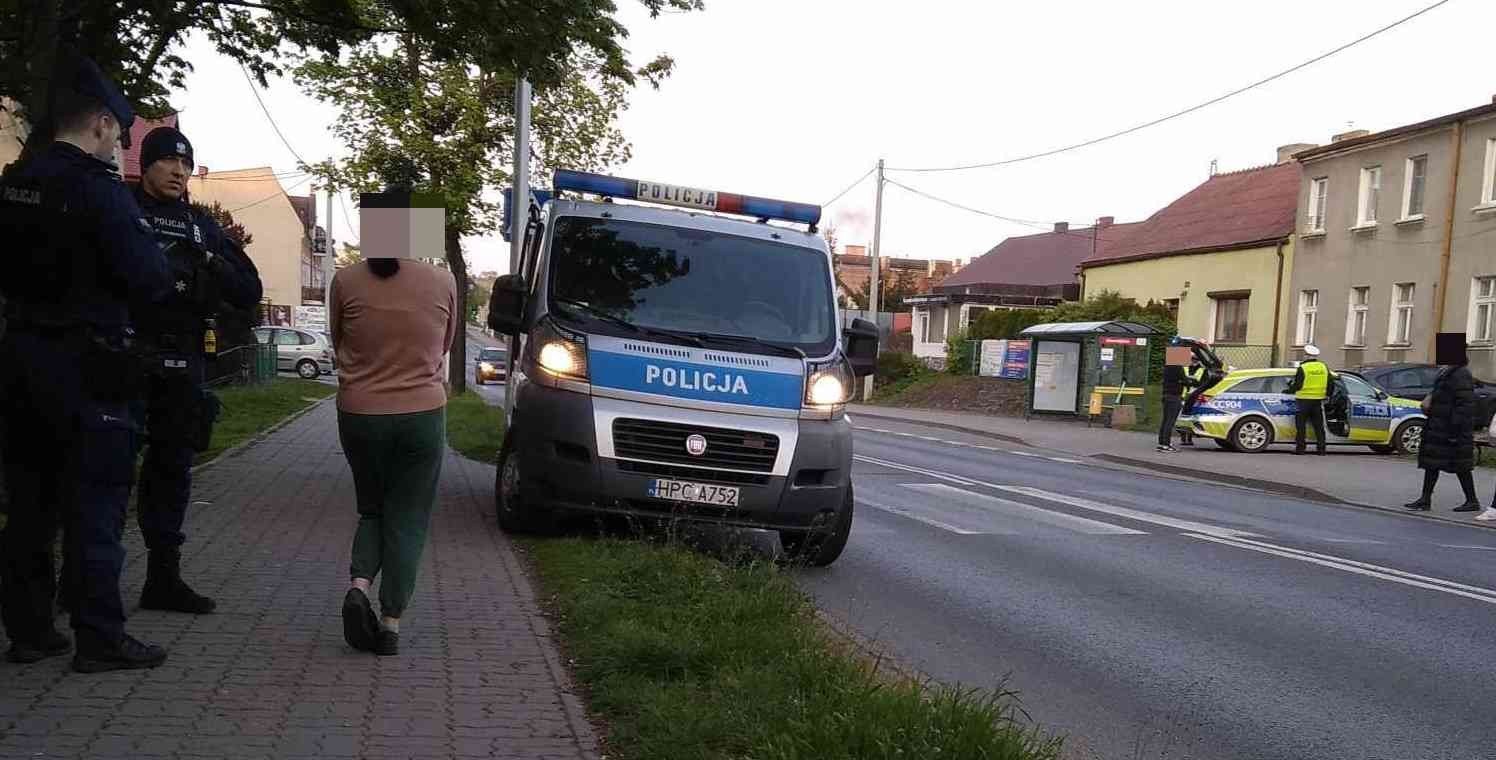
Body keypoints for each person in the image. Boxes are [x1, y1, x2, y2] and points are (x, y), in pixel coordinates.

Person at [0, 53, 173, 671]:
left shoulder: (16, 182)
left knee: (28, 503)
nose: (119, 147)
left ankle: (28, 630)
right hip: (90, 365)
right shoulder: (99, 192)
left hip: (19, 363)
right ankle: (99, 636)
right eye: (119, 135)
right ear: (100, 123)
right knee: (96, 506)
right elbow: (151, 277)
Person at [129, 126, 263, 613]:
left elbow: (249, 289)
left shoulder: (200, 226)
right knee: (103, 468)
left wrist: (210, 261)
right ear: (145, 163)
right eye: (167, 161)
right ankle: (79, 581)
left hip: (182, 359)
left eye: (185, 164)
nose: (178, 171)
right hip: (123, 356)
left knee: (172, 471)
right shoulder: (122, 210)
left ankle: (162, 579)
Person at [331, 253, 457, 656]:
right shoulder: (444, 282)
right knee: (407, 519)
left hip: (359, 413)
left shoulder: (344, 281)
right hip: (421, 415)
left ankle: (358, 587)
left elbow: (338, 339)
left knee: (373, 509)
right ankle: (390, 624)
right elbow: (446, 343)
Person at [1404, 335, 1480, 512]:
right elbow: (1443, 396)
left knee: (1461, 466)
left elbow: (1464, 406)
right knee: (1432, 464)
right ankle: (1425, 499)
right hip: (1439, 426)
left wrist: (1455, 430)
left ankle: (1472, 500)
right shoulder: (1447, 372)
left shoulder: (1461, 374)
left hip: (1452, 429)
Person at [1286, 344, 1331, 456]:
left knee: (1301, 426)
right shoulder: (1323, 367)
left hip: (1303, 401)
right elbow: (1331, 383)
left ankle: (1300, 449)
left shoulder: (1303, 368)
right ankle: (1321, 450)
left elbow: (1298, 385)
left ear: (1307, 355)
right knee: (1319, 427)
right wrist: (1327, 395)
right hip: (1317, 401)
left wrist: (1288, 390)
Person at [1157, 350, 1198, 453]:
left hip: (1167, 395)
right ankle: (1166, 445)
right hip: (1174, 396)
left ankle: (1162, 443)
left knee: (1165, 421)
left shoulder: (1168, 366)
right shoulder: (1177, 367)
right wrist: (1191, 382)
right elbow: (1184, 380)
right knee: (1170, 422)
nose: (1188, 360)